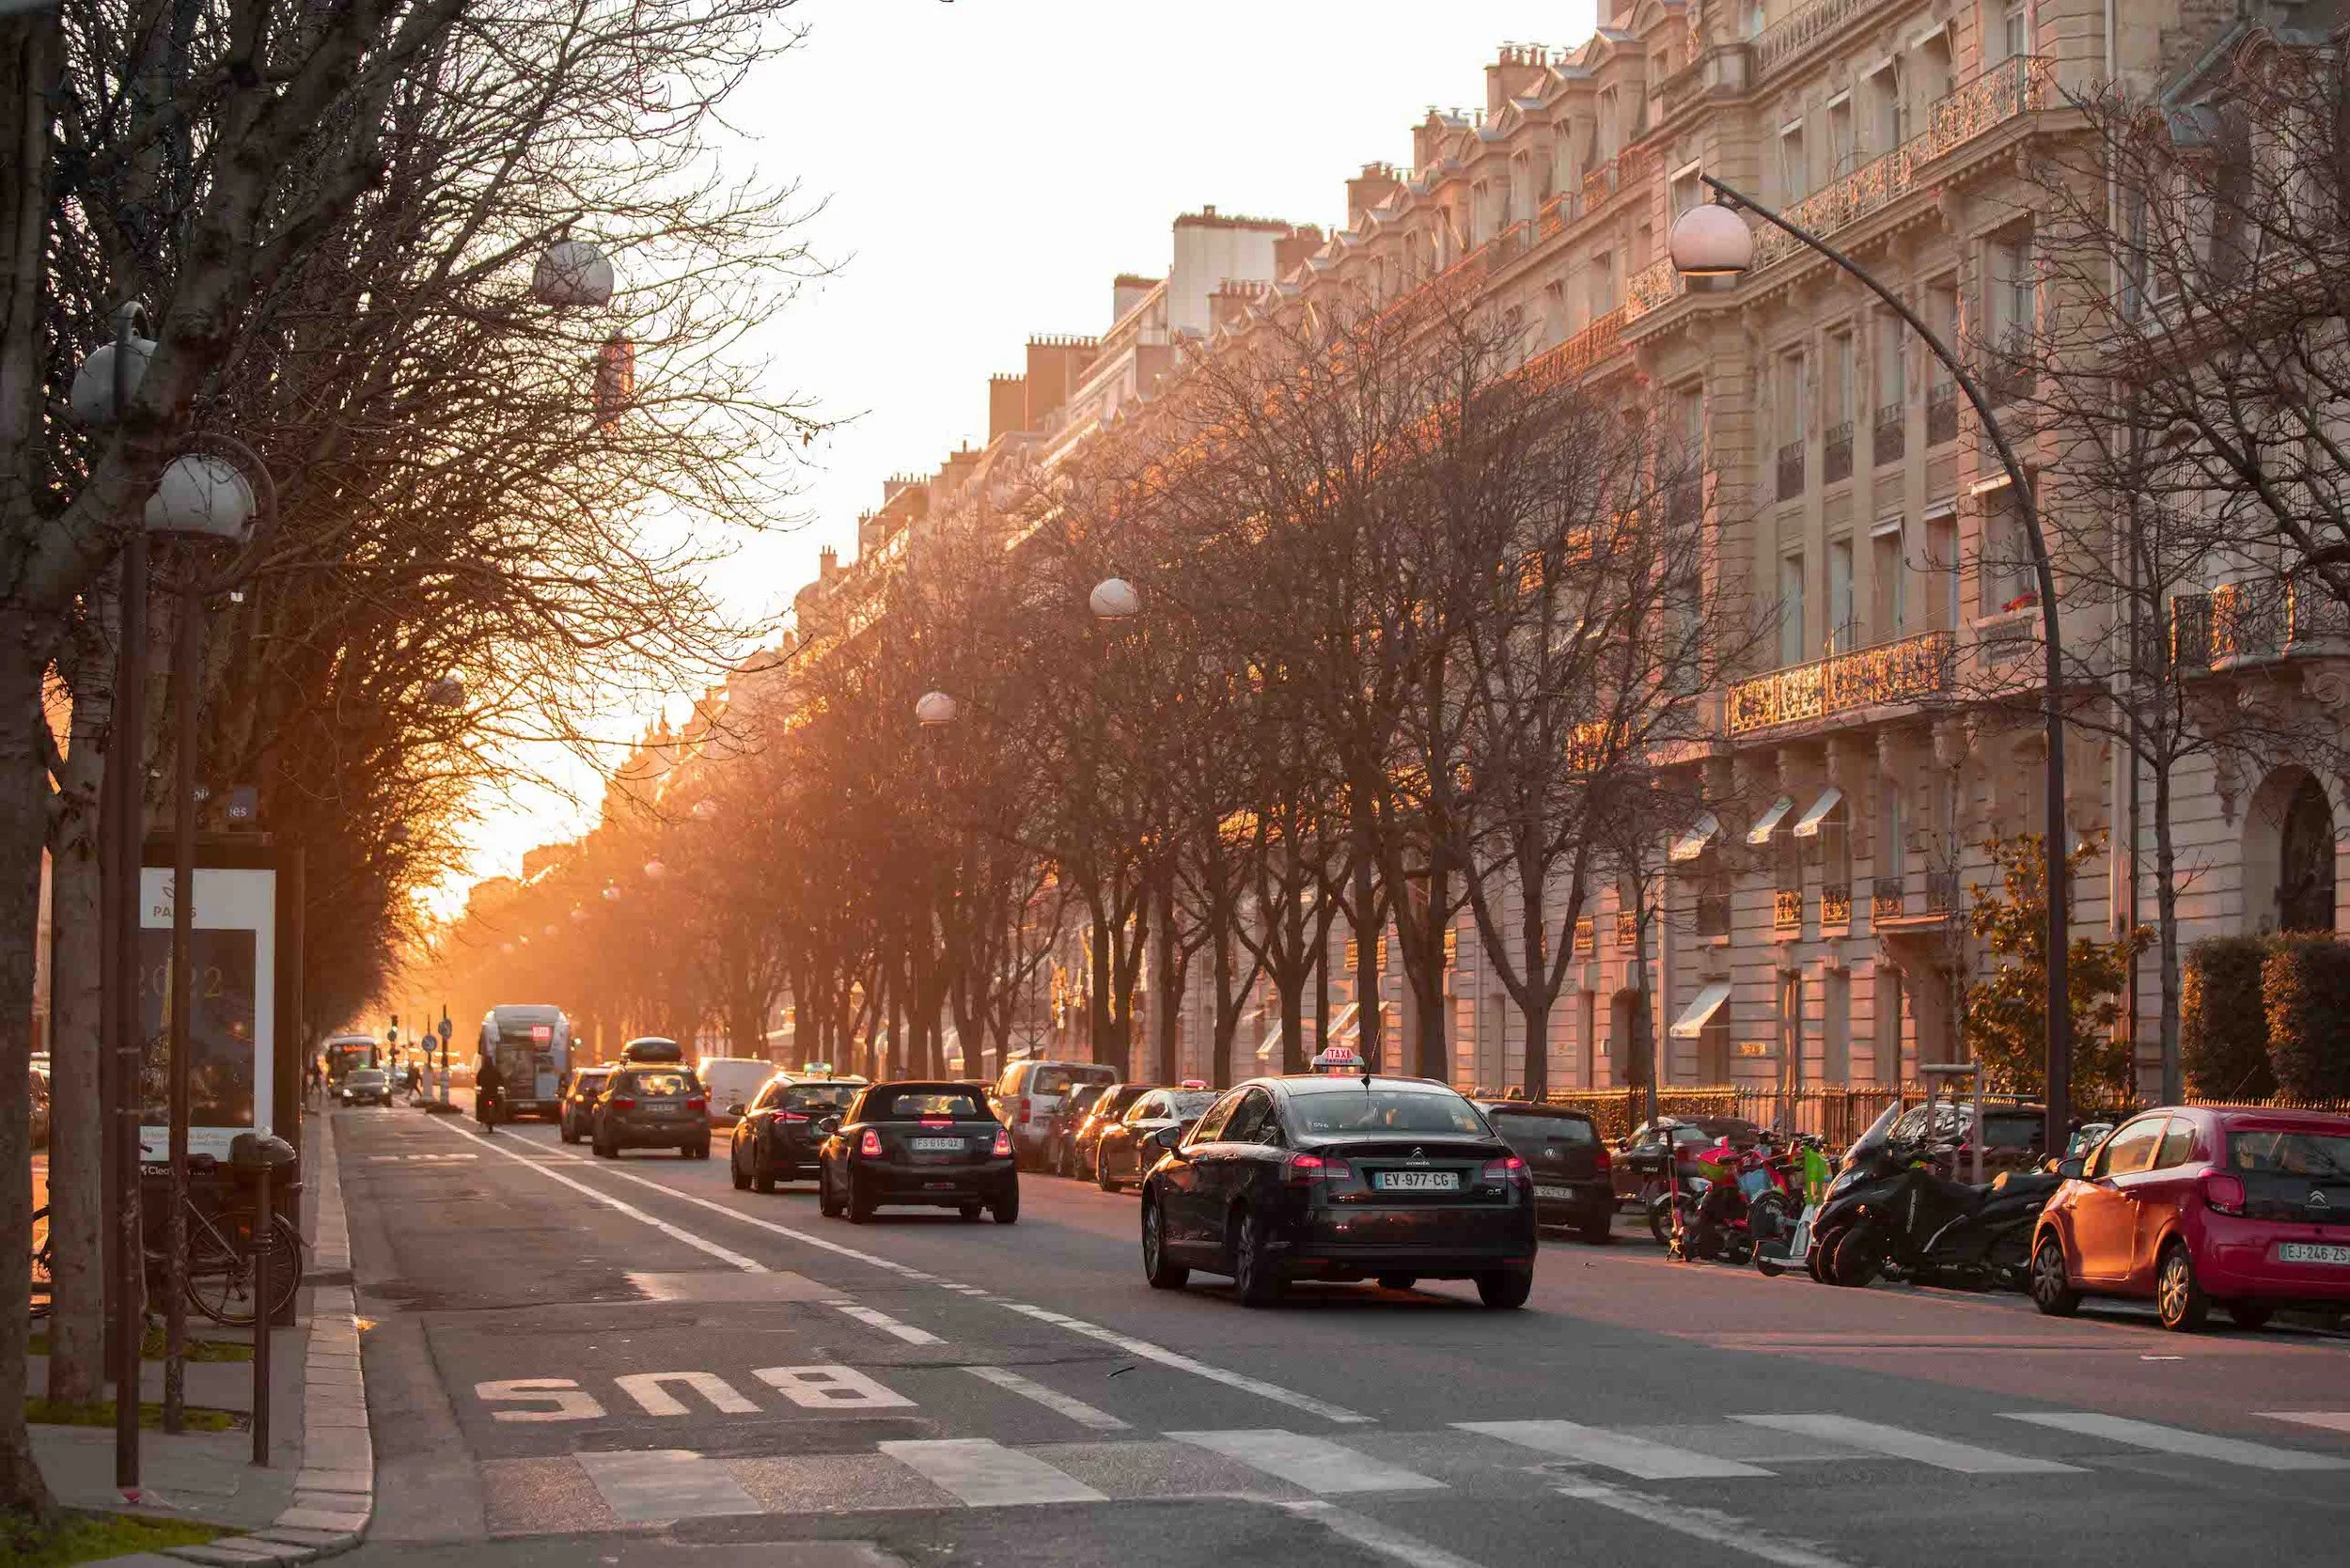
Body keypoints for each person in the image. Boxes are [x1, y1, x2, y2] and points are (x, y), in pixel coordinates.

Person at [475, 1053, 504, 1132]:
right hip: (494, 1092)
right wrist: (500, 1085)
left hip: (485, 1092)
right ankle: (499, 1117)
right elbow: (501, 1079)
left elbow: (478, 1080)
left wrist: (481, 1085)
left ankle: (482, 1117)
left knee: (481, 1104)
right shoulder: (495, 1070)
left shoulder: (482, 1070)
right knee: (499, 1103)